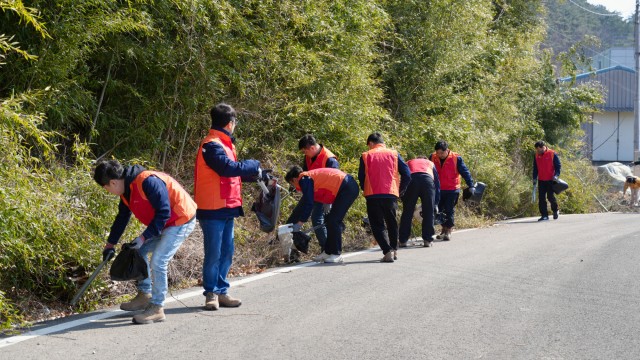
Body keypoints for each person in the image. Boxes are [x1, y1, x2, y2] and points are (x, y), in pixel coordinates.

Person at [94, 160, 196, 324]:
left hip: (180, 220)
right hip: (164, 223)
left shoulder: (148, 181)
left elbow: (163, 212)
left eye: (106, 188)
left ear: (112, 182)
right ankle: (145, 295)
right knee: (137, 252)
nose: (108, 191)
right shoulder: (126, 191)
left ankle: (157, 307)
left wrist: (143, 237)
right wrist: (110, 244)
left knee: (159, 260)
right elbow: (122, 218)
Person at [194, 103, 264, 311]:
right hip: (212, 208)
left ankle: (221, 290)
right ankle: (211, 293)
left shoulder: (225, 144)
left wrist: (260, 174)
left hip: (227, 205)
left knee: (226, 251)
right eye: (235, 122)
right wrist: (253, 164)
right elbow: (227, 169)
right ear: (230, 123)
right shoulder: (212, 144)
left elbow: (233, 173)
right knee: (214, 252)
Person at [284, 166, 359, 263]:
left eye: (292, 184)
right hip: (344, 187)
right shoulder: (307, 177)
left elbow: (309, 203)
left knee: (334, 220)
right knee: (329, 220)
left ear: (294, 179)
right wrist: (326, 202)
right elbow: (322, 187)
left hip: (347, 188)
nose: (294, 187)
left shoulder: (303, 179)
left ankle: (336, 254)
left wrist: (300, 223)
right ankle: (328, 252)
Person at [358, 132, 411, 263]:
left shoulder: (365, 155)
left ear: (371, 143)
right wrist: (400, 190)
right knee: (392, 222)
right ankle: (394, 250)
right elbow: (407, 174)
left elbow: (361, 177)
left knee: (377, 225)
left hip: (372, 195)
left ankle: (387, 251)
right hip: (390, 193)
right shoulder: (393, 154)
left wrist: (366, 189)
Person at [292, 134, 339, 255]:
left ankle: (327, 249)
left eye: (305, 151)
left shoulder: (330, 159)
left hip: (324, 195)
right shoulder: (308, 157)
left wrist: (328, 201)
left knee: (317, 219)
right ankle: (292, 250)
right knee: (295, 216)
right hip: (312, 193)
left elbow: (335, 180)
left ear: (311, 148)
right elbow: (303, 174)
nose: (304, 154)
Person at [430, 140, 474, 241]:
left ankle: (448, 230)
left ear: (447, 150)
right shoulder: (432, 157)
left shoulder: (456, 158)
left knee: (449, 210)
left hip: (452, 189)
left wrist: (471, 185)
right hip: (437, 189)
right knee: (438, 210)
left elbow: (465, 172)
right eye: (438, 153)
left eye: (441, 153)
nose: (439, 155)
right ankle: (443, 229)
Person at [398, 156, 440, 248]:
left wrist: (401, 193)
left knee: (407, 212)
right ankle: (427, 240)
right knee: (428, 212)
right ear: (425, 159)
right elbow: (437, 183)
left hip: (411, 181)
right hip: (427, 181)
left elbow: (403, 177)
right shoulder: (430, 163)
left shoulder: (408, 162)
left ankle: (403, 240)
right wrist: (436, 203)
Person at [532, 140, 561, 221]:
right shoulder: (536, 155)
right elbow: (535, 168)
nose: (538, 151)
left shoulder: (552, 153)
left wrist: (556, 175)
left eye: (539, 149)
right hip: (541, 180)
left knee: (550, 197)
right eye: (537, 150)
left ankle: (555, 210)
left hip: (551, 180)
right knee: (541, 198)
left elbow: (558, 166)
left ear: (543, 147)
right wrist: (534, 178)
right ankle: (544, 215)